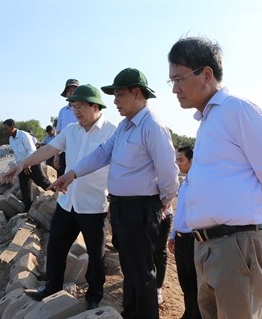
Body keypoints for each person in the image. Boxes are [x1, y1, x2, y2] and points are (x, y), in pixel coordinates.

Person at [167, 36, 262, 318]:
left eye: (179, 78)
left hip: (238, 247)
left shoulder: (237, 110)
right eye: (171, 82)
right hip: (209, 248)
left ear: (207, 74)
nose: (174, 89)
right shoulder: (208, 122)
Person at [50, 68, 180, 319]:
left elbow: (169, 175)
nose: (115, 101)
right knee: (130, 270)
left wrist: (160, 205)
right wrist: (72, 173)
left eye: (119, 95)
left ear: (137, 93)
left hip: (141, 208)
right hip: (122, 208)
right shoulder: (124, 127)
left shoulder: (153, 126)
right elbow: (102, 154)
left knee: (142, 273)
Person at [2, 84, 116, 310]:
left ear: (96, 106)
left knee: (96, 254)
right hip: (67, 201)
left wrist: (114, 200)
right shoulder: (71, 130)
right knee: (55, 246)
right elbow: (48, 150)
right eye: (73, 107)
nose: (76, 111)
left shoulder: (112, 132)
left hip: (94, 205)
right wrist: (22, 164)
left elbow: (118, 169)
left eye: (81, 106)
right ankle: (52, 287)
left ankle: (94, 296)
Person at [167, 145, 201, 319]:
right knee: (184, 281)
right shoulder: (184, 184)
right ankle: (188, 313)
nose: (178, 163)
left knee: (195, 283)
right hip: (180, 240)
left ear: (192, 160)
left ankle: (196, 315)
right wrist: (173, 236)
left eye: (181, 160)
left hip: (194, 240)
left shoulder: (200, 184)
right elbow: (179, 212)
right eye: (177, 160)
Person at [2, 119, 51, 211]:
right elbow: (16, 155)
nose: (5, 131)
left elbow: (31, 150)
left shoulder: (23, 135)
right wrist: (19, 166)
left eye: (6, 128)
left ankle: (58, 197)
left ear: (12, 127)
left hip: (32, 164)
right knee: (24, 188)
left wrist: (27, 164)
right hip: (21, 166)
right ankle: (28, 209)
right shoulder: (11, 139)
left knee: (42, 182)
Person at [55, 78, 79, 176]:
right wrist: (56, 155)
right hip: (64, 151)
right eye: (69, 91)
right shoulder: (62, 111)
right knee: (62, 181)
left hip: (79, 151)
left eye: (74, 90)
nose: (72, 93)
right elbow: (58, 133)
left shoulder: (85, 110)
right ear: (66, 93)